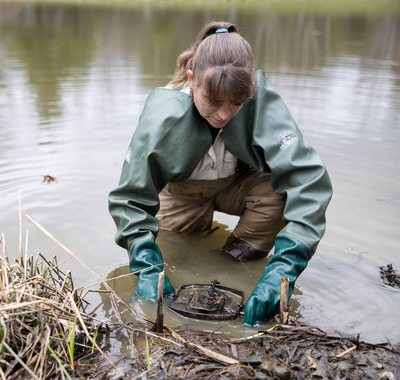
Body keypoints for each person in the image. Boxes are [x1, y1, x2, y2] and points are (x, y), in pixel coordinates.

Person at [107, 21, 332, 326]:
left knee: (280, 192)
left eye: (236, 102)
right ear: (192, 81)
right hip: (182, 191)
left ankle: (233, 260)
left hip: (241, 184)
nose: (224, 114)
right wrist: (146, 265)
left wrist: (284, 267)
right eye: (212, 101)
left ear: (249, 88)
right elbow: (131, 199)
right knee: (173, 247)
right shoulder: (162, 117)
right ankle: (188, 248)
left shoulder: (261, 104)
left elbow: (309, 182)